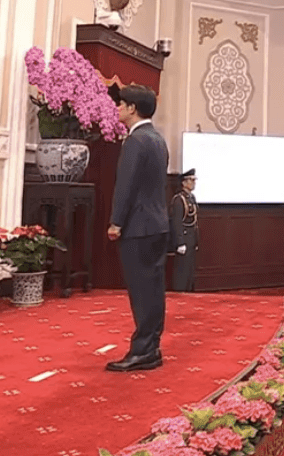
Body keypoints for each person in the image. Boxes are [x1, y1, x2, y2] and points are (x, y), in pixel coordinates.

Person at [105, 85, 169, 372]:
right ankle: (151, 347)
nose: (117, 108)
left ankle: (143, 351)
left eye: (121, 104)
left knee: (142, 292)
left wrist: (116, 222)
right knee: (153, 289)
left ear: (133, 108)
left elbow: (126, 186)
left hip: (138, 226)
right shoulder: (157, 139)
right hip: (157, 223)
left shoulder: (135, 141)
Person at [169, 169, 199, 292]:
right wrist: (180, 242)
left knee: (189, 271)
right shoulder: (179, 200)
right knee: (182, 271)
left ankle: (188, 292)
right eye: (191, 180)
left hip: (191, 239)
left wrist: (196, 240)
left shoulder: (191, 198)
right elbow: (176, 222)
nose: (193, 183)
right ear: (183, 182)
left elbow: (194, 221)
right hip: (184, 239)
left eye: (194, 180)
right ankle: (180, 294)